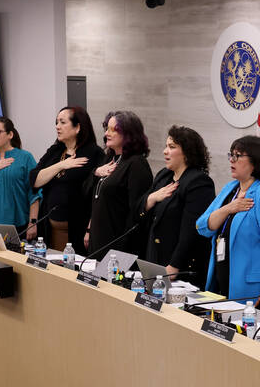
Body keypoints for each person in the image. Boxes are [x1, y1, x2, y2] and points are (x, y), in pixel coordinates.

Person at [196, 135, 260, 306]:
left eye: (237, 156)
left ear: (255, 162)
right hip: (220, 278)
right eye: (231, 155)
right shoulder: (230, 189)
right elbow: (202, 226)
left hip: (252, 286)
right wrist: (229, 208)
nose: (232, 160)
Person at [135, 126, 215, 288]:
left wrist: (175, 264)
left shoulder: (198, 182)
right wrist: (152, 198)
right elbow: (139, 209)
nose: (165, 151)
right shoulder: (164, 175)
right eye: (166, 146)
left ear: (187, 153)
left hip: (180, 266)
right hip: (154, 257)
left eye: (172, 147)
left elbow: (191, 230)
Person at [31, 106, 103, 252]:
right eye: (56, 122)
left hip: (78, 228)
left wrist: (90, 228)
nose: (57, 126)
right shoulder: (56, 151)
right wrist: (62, 164)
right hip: (49, 227)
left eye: (63, 122)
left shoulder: (93, 153)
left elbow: (98, 195)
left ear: (77, 128)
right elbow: (35, 180)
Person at [84, 110, 153, 257]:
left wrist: (123, 247)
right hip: (98, 238)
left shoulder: (136, 164)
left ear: (129, 135)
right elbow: (89, 194)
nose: (107, 134)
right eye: (107, 129)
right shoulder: (110, 158)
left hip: (118, 244)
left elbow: (136, 211)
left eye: (114, 130)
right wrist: (95, 172)